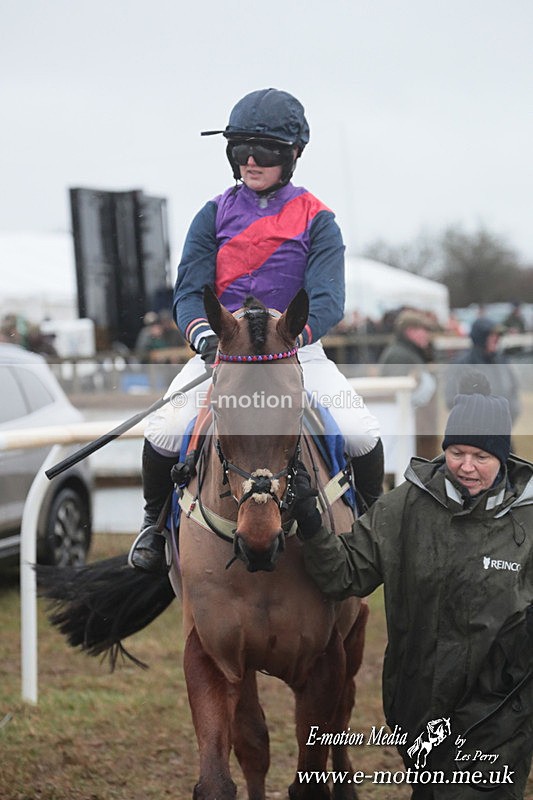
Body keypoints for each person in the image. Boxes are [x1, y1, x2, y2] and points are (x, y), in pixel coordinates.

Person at [129, 88, 384, 572]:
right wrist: (205, 338)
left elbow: (327, 300)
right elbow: (189, 292)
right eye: (240, 148)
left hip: (295, 351)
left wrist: (293, 339)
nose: (249, 160)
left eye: (263, 150)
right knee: (163, 429)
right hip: (226, 352)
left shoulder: (319, 220)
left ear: (293, 155)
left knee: (360, 432)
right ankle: (153, 526)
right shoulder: (211, 214)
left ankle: (372, 529)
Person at [292, 372, 533, 799]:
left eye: (481, 455)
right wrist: (312, 525)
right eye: (457, 452)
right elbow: (344, 573)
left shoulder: (527, 519)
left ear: (503, 456)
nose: (467, 466)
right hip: (419, 705)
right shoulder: (406, 507)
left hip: (501, 710)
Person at [379, 308, 439, 462]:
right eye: (423, 330)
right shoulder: (399, 356)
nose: (427, 335)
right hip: (409, 432)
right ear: (410, 331)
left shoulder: (411, 353)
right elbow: (395, 396)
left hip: (417, 430)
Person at [445, 317, 521, 423]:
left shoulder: (503, 362)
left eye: (498, 335)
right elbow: (451, 399)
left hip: (500, 427)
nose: (496, 339)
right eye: (492, 335)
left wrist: (508, 420)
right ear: (481, 337)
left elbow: (513, 392)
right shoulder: (462, 364)